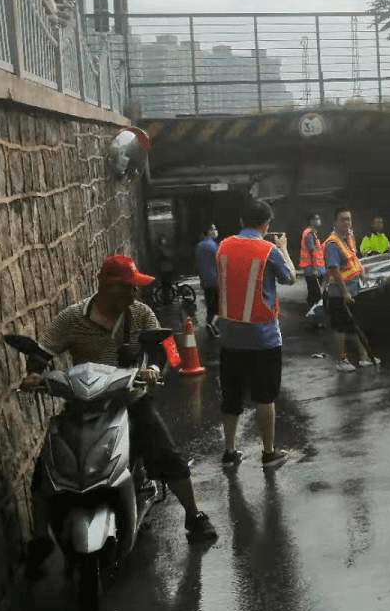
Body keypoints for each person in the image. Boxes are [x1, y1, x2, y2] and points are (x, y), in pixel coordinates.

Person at [20, 255, 218, 578]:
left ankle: (194, 515)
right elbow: (44, 351)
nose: (133, 295)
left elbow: (162, 347)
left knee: (164, 452)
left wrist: (153, 369)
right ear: (108, 288)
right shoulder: (72, 318)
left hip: (131, 400)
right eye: (128, 289)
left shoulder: (139, 313)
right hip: (82, 405)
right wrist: (34, 374)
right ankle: (40, 538)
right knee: (46, 469)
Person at [216, 200, 296, 469]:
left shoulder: (223, 246)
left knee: (231, 396)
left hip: (229, 336)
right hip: (263, 338)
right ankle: (269, 453)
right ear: (267, 225)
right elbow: (290, 278)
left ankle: (230, 452)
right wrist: (283, 249)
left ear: (241, 221)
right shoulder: (268, 249)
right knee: (265, 396)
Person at [325, 207, 376, 372]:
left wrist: (361, 269)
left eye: (348, 219)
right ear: (335, 221)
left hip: (353, 289)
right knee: (340, 327)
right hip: (338, 293)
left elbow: (353, 257)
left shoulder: (349, 236)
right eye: (343, 219)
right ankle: (341, 361)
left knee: (353, 324)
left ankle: (364, 357)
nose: (346, 222)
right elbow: (335, 270)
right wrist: (345, 292)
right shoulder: (332, 243)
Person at [195, 224, 220, 337]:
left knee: (210, 304)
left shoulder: (199, 246)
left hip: (205, 281)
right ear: (209, 231)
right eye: (214, 229)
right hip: (216, 280)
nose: (216, 231)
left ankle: (210, 323)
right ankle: (212, 324)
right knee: (218, 305)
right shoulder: (214, 246)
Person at [299, 213, 326, 315]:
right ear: (311, 221)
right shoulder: (309, 234)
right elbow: (312, 252)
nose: (319, 220)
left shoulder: (313, 234)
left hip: (318, 268)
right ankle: (315, 316)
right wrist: (315, 269)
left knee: (316, 293)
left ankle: (316, 315)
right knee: (315, 294)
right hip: (313, 270)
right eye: (316, 219)